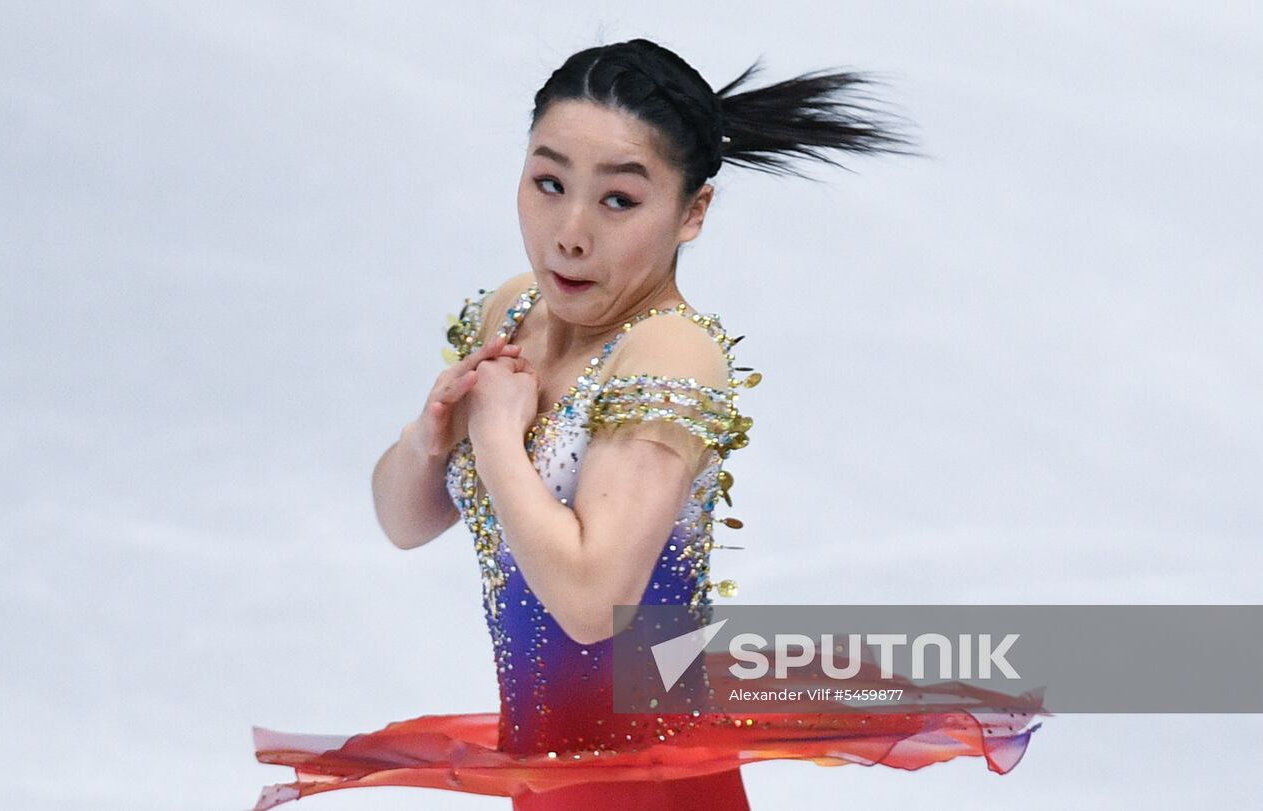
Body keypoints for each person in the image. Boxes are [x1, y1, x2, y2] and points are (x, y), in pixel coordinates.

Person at [249, 38, 1043, 811]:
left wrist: (493, 441)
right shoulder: (513, 309)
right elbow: (402, 522)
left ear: (693, 211)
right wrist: (429, 439)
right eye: (549, 182)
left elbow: (593, 601)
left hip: (647, 780)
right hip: (546, 773)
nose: (571, 231)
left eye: (619, 200)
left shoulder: (669, 350)